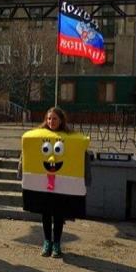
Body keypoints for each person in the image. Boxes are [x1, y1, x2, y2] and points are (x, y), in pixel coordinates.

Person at [18, 107, 86, 258]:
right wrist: (21, 172)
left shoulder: (71, 138)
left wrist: (85, 179)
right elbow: (26, 153)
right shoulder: (38, 136)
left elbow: (81, 156)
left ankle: (57, 244)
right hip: (43, 183)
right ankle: (47, 241)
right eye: (49, 118)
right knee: (46, 213)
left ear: (61, 120)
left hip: (62, 185)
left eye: (54, 118)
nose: (51, 121)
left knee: (59, 214)